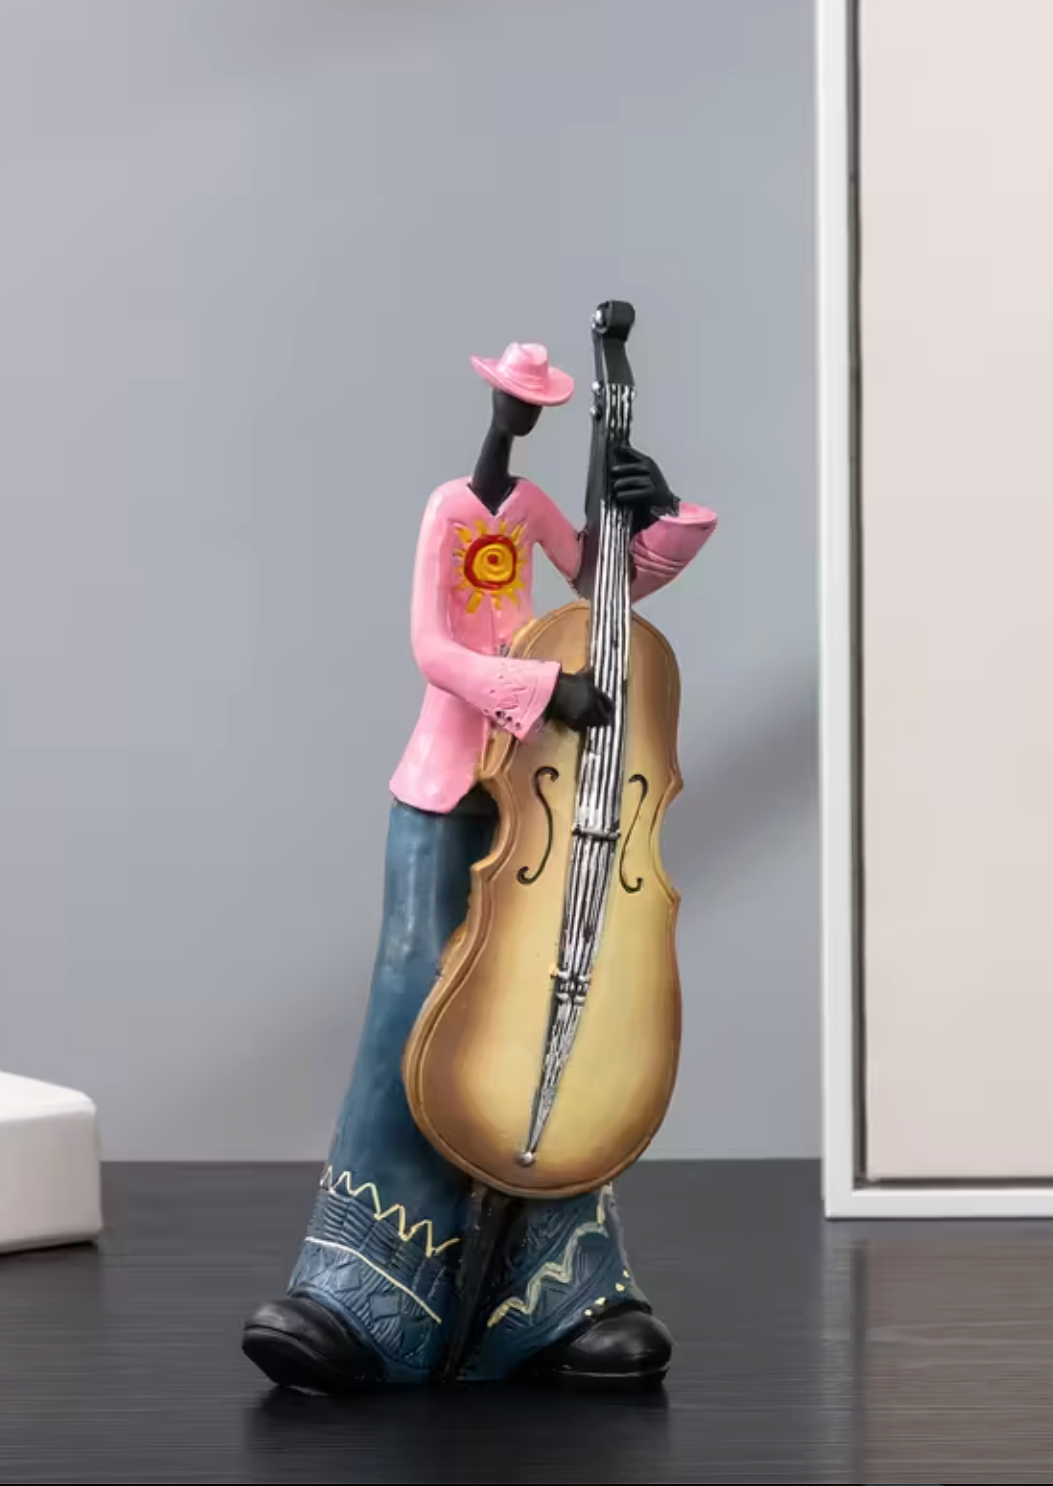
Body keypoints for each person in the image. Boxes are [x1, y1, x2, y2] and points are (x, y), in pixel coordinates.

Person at [241, 340, 716, 1392]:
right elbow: (434, 649)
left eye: (536, 403)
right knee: (421, 1003)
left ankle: (559, 1294)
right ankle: (357, 1291)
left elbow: (599, 586)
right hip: (453, 779)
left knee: (549, 1003)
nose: (523, 418)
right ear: (494, 401)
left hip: (541, 786)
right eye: (514, 401)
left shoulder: (534, 506)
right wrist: (541, 690)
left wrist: (654, 514)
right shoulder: (449, 510)